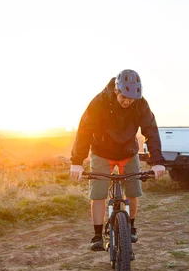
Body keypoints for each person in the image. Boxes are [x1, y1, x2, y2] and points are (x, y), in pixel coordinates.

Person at [70, 69, 166, 251]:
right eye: (125, 97)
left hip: (128, 152)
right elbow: (84, 130)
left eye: (131, 99)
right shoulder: (100, 102)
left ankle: (130, 227)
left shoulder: (140, 104)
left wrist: (157, 161)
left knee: (133, 190)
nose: (128, 101)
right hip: (101, 151)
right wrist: (76, 161)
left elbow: (151, 131)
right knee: (98, 193)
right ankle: (97, 235)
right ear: (117, 90)